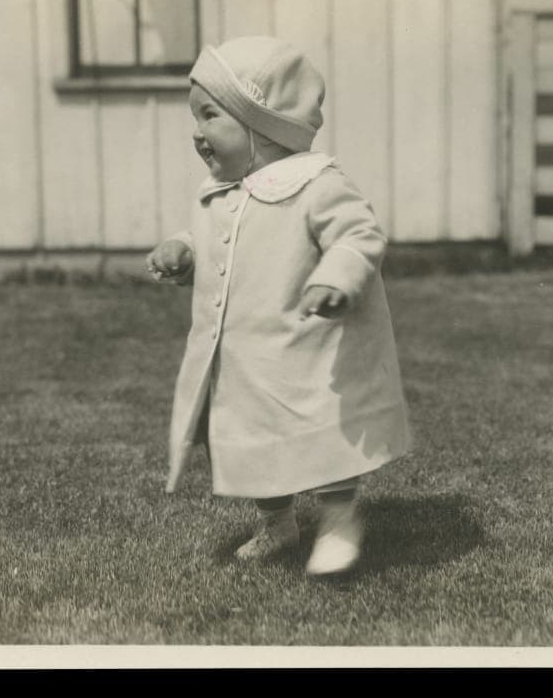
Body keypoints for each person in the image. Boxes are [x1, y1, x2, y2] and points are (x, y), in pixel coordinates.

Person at [146, 36, 411, 576]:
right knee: (253, 437)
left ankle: (338, 520)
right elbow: (221, 240)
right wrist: (184, 250)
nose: (197, 132)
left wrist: (336, 276)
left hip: (308, 348)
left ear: (259, 122)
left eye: (210, 115)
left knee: (322, 430)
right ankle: (276, 522)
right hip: (247, 357)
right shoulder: (223, 191)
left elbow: (358, 235)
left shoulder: (315, 185)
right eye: (195, 118)